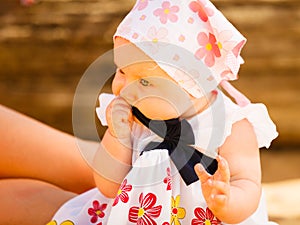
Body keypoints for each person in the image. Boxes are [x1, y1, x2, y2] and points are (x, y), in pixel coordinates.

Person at [48, 0, 278, 225]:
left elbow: (247, 183)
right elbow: (108, 186)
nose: (123, 88)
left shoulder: (231, 125)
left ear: (192, 86)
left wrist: (227, 200)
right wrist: (118, 137)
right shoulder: (130, 116)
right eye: (121, 71)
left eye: (145, 82)